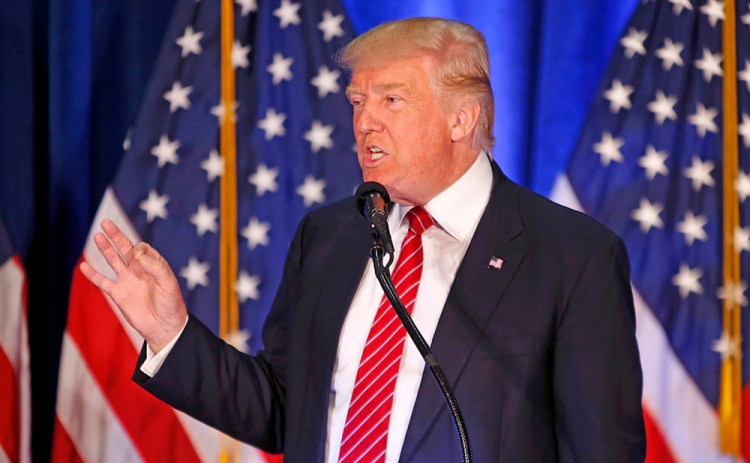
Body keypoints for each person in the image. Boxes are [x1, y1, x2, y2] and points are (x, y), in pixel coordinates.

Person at [81, 17, 646, 462]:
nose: (365, 122)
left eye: (391, 100)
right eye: (358, 102)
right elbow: (282, 409)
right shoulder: (329, 236)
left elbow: (599, 450)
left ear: (462, 119)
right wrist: (170, 333)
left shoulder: (571, 257)